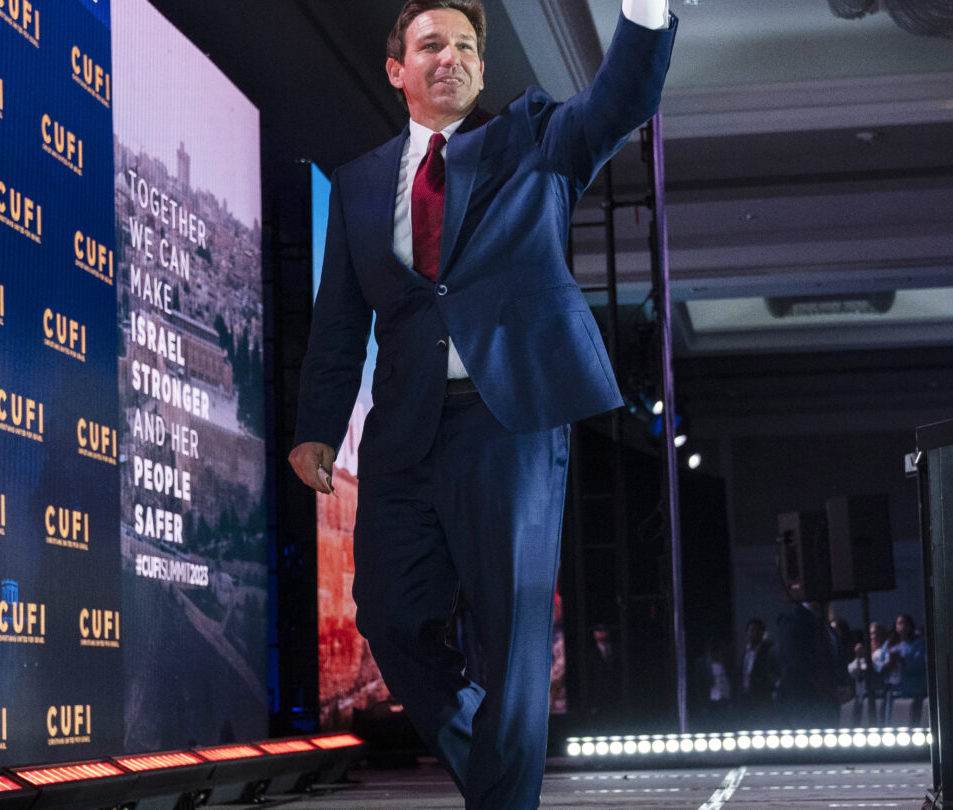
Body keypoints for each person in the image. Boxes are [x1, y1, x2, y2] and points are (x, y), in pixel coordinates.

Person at [288, 0, 676, 806]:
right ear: (397, 70)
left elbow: (621, 100)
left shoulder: (534, 139)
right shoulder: (359, 184)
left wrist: (644, 12)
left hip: (511, 421)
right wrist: (316, 429)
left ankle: (504, 796)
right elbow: (339, 323)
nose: (451, 57)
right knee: (390, 619)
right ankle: (499, 776)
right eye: (432, 44)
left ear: (481, 67)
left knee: (513, 638)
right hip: (405, 434)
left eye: (465, 45)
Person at [880, 613, 927, 725]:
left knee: (910, 721)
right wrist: (888, 663)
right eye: (899, 623)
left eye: (906, 623)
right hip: (893, 691)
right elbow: (879, 664)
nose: (903, 626)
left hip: (911, 691)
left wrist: (901, 660)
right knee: (892, 722)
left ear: (911, 626)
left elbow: (919, 665)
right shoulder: (889, 644)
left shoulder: (918, 643)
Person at [738, 617, 776, 722]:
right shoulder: (744, 652)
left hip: (762, 699)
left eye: (757, 630)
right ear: (747, 633)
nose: (754, 633)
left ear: (762, 633)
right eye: (751, 630)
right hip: (745, 699)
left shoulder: (768, 651)